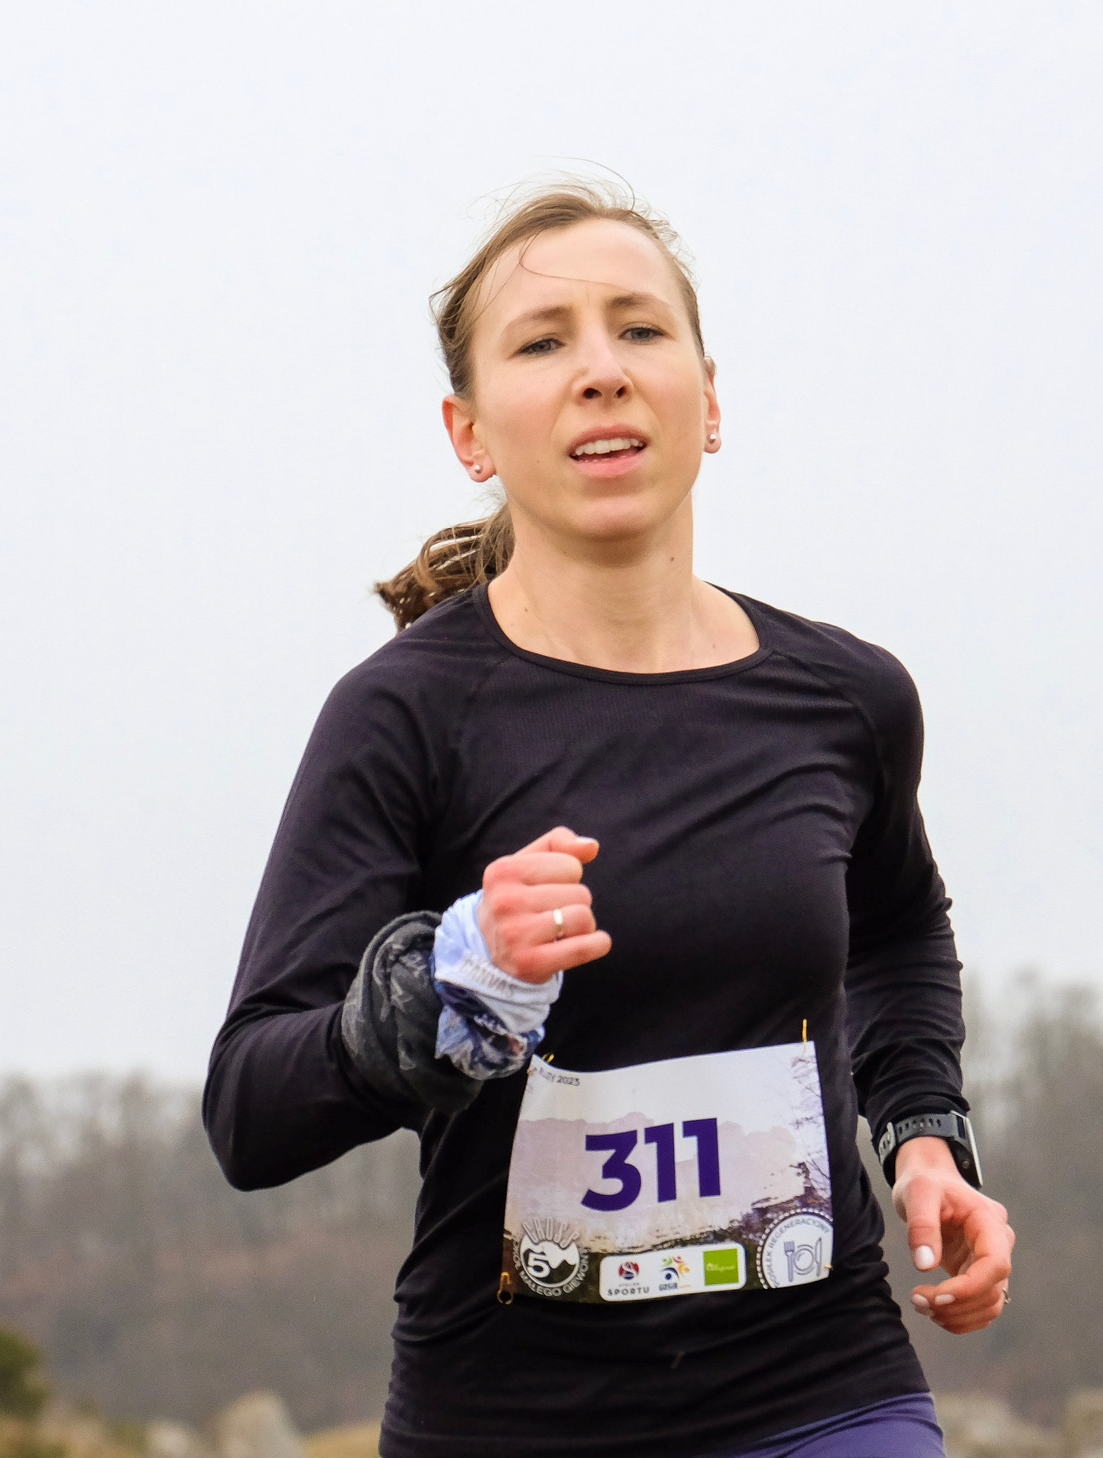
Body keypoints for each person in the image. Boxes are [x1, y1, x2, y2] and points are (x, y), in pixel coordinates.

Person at [203, 183, 1014, 1458]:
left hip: (820, 1390)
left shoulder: (844, 697)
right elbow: (249, 1111)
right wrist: (437, 991)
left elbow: (898, 926)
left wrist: (922, 1138)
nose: (600, 372)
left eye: (638, 330)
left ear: (710, 394)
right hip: (516, 1418)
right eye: (542, 342)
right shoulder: (403, 719)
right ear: (469, 433)